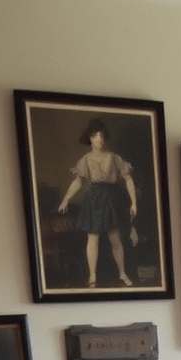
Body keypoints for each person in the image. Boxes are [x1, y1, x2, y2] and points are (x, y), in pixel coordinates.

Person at [57, 117, 137, 288]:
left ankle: (122, 273)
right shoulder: (86, 159)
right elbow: (78, 181)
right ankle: (92, 276)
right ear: (90, 139)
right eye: (95, 136)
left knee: (114, 237)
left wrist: (134, 203)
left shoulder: (114, 158)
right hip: (94, 199)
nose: (99, 139)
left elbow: (128, 179)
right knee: (92, 237)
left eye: (101, 135)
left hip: (112, 198)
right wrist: (65, 200)